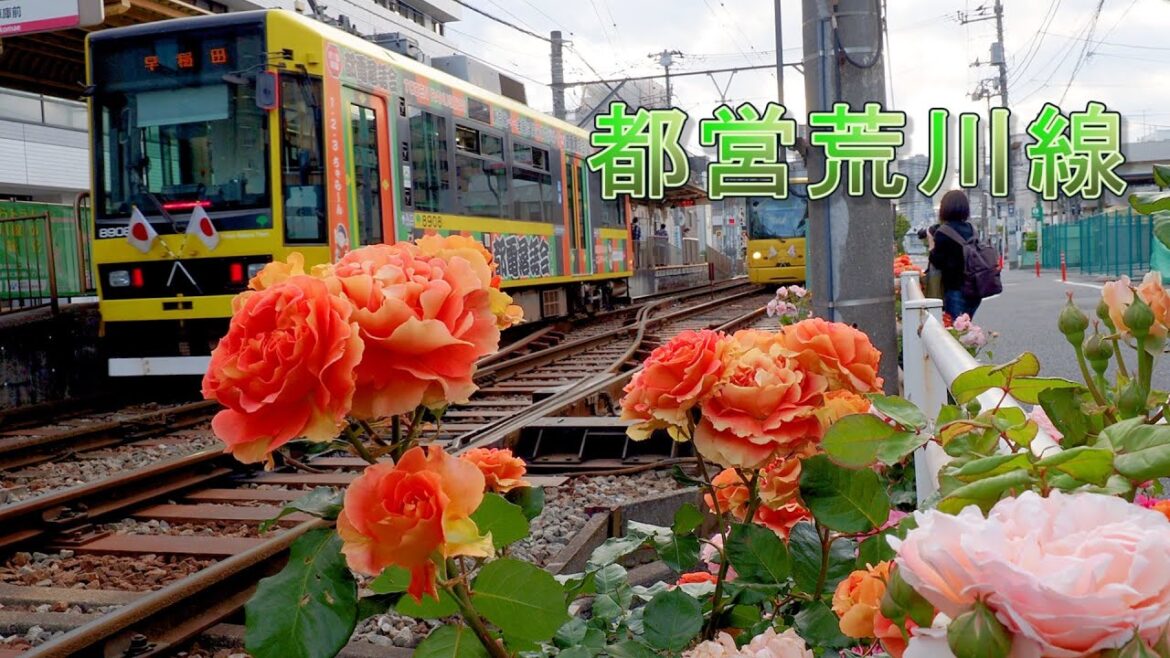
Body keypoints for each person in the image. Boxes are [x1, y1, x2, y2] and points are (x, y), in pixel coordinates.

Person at [929, 190, 981, 320]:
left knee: (956, 331)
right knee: (965, 327)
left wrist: (931, 243)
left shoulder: (943, 232)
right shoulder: (971, 229)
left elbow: (937, 262)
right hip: (975, 290)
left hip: (956, 290)